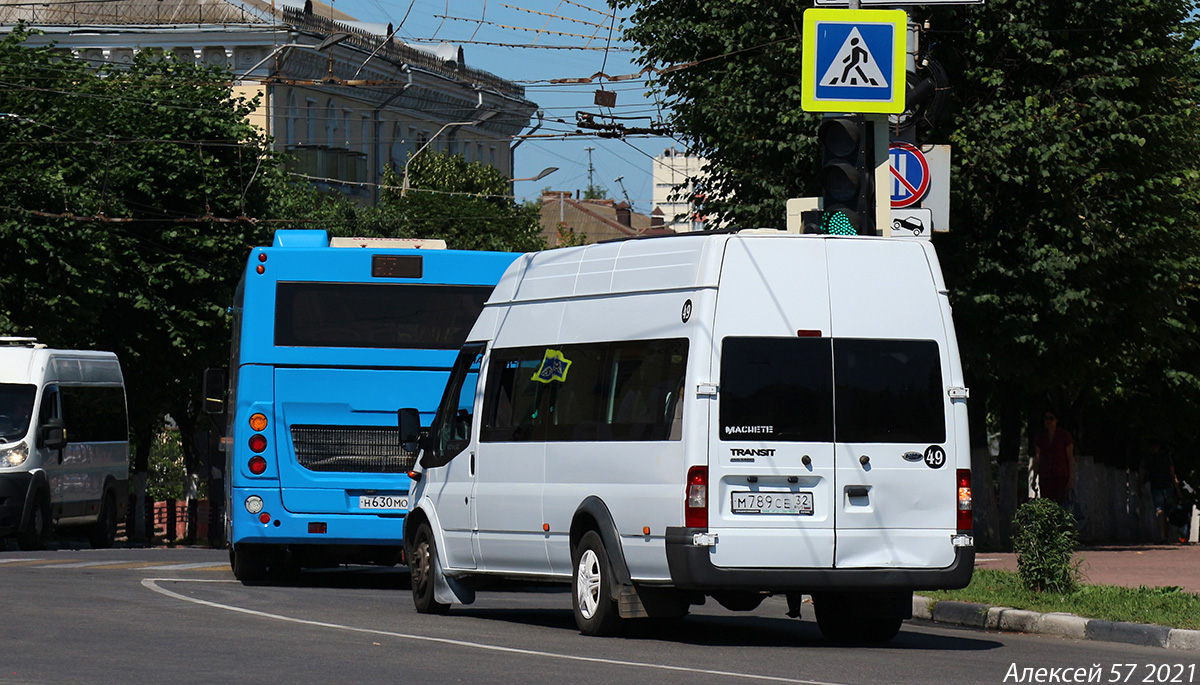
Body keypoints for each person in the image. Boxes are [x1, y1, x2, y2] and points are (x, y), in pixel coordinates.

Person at [1138, 438, 1183, 543]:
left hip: (1156, 487)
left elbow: (1141, 475)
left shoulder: (1147, 459)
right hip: (1168, 487)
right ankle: (1169, 535)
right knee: (1168, 511)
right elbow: (1173, 475)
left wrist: (1139, 488)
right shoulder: (1167, 458)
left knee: (1160, 510)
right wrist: (1179, 491)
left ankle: (1163, 535)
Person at [1033, 409, 1074, 507]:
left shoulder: (1064, 436)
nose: (1048, 421)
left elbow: (1070, 458)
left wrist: (1071, 479)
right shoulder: (1040, 437)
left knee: (1061, 506)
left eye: (1051, 418)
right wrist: (1034, 478)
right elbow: (1037, 459)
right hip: (1045, 477)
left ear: (1057, 420)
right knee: (1047, 508)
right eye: (1046, 418)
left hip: (1061, 477)